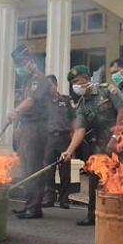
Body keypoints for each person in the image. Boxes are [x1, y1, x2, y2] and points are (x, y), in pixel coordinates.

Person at [59, 65, 123, 225]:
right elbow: (80, 130)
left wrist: (116, 136)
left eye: (77, 81)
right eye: (72, 83)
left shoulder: (107, 90)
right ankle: (93, 215)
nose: (74, 85)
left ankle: (120, 215)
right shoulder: (82, 104)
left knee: (119, 177)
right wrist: (68, 151)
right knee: (94, 178)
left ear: (87, 78)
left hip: (118, 138)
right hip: (99, 142)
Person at [8, 44, 52, 219]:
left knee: (33, 167)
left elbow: (31, 101)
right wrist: (19, 125)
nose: (18, 67)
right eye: (16, 63)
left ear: (29, 61)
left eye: (20, 62)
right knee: (26, 168)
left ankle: (34, 207)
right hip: (27, 126)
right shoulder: (26, 80)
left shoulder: (38, 78)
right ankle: (29, 204)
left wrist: (15, 111)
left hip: (37, 127)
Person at [42, 75, 74, 209]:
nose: (48, 89)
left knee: (65, 169)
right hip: (48, 138)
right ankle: (49, 197)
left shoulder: (66, 100)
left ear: (55, 85)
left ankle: (64, 198)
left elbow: (73, 118)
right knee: (48, 168)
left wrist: (74, 137)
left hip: (64, 137)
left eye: (50, 85)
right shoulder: (43, 102)